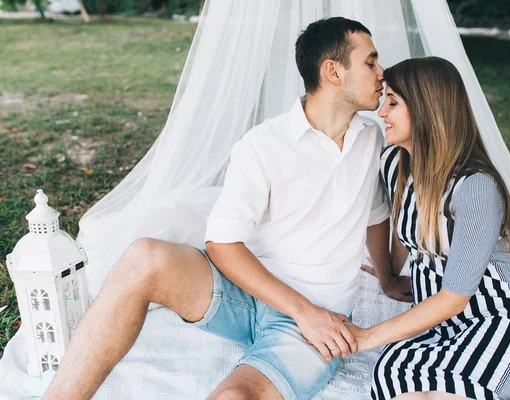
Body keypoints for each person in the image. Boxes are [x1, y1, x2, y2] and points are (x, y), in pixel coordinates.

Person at [42, 17, 401, 400]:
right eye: (370, 62)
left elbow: (376, 215)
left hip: (317, 319)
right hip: (248, 295)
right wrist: (301, 310)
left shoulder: (372, 138)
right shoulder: (263, 144)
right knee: (144, 256)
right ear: (333, 71)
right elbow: (222, 245)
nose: (382, 73)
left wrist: (388, 278)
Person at [346, 57, 510, 400]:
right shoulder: (394, 164)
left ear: (426, 109)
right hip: (441, 321)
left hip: (505, 314)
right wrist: (389, 278)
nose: (381, 113)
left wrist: (366, 337)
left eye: (393, 102)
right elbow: (410, 228)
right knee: (395, 379)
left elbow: (454, 298)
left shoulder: (474, 186)